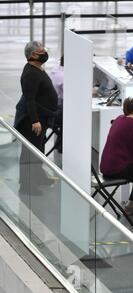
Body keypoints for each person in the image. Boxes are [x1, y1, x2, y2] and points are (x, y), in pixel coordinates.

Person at [14, 41, 58, 194]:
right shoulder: (30, 74)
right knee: (30, 154)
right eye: (42, 51)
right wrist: (35, 121)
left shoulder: (37, 68)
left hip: (41, 118)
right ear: (33, 55)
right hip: (31, 121)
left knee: (38, 150)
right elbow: (29, 100)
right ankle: (26, 187)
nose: (45, 53)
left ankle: (38, 177)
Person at [48, 55, 64, 153]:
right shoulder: (64, 76)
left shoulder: (56, 70)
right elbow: (71, 98)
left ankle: (60, 144)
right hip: (55, 114)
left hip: (50, 109)